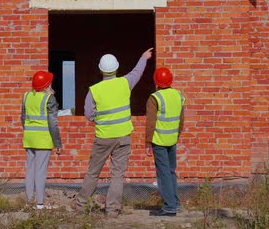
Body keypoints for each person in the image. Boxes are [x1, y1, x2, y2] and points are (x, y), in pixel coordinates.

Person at [73, 48, 153, 217]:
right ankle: (112, 210)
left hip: (103, 137)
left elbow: (88, 113)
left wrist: (100, 120)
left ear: (101, 69)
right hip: (123, 137)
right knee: (117, 175)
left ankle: (80, 206)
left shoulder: (94, 90)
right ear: (116, 68)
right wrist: (144, 57)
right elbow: (137, 72)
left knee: (93, 173)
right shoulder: (125, 82)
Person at [145, 67, 185, 217]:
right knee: (171, 172)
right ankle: (175, 202)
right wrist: (176, 135)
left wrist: (148, 143)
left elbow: (150, 122)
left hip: (159, 141)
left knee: (163, 174)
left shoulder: (155, 98)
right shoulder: (178, 95)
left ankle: (169, 207)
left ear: (156, 81)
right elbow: (181, 121)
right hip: (172, 140)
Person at [21, 71, 62, 210]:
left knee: (30, 170)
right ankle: (39, 204)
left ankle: (28, 202)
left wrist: (29, 131)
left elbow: (23, 117)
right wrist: (58, 143)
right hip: (43, 139)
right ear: (47, 85)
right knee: (40, 171)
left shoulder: (27, 96)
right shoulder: (49, 98)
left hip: (29, 138)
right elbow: (52, 123)